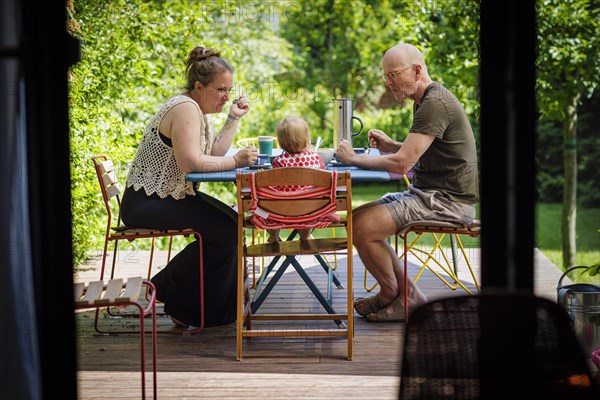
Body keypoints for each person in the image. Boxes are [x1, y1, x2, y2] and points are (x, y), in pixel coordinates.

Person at [335, 43, 480, 322]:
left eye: (394, 75)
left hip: (446, 202)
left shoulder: (434, 103)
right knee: (356, 220)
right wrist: (391, 145)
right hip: (429, 194)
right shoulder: (425, 100)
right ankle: (407, 296)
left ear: (417, 70)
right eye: (386, 77)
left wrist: (352, 158)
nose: (389, 83)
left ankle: (392, 293)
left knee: (364, 226)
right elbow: (415, 151)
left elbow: (403, 164)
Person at [120, 46, 258, 328]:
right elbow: (192, 164)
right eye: (221, 89)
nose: (226, 96)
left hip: (170, 196)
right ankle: (175, 295)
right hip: (149, 202)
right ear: (199, 86)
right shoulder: (184, 109)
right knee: (228, 231)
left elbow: (214, 154)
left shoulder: (195, 109)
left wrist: (232, 119)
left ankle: (171, 289)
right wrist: (236, 161)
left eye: (229, 89)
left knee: (232, 225)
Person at [265, 116, 328, 243]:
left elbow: (275, 186)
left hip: (283, 210)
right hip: (312, 210)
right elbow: (324, 182)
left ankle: (273, 235)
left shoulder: (279, 162)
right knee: (306, 207)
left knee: (269, 203)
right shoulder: (317, 159)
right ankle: (305, 237)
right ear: (307, 140)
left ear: (282, 144)